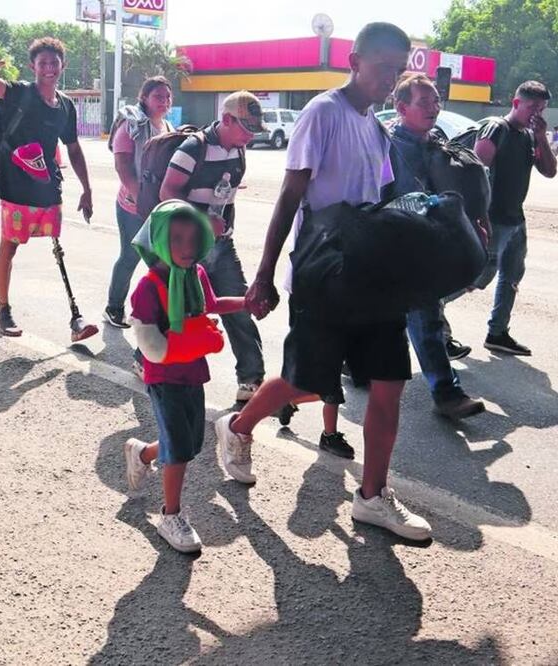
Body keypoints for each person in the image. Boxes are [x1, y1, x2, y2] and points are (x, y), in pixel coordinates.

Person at [217, 23, 434, 541]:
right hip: (323, 273)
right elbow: (291, 199)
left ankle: (372, 497)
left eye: (396, 68)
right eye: (382, 66)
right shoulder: (323, 113)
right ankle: (238, 427)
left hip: (371, 274)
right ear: (355, 60)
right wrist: (265, 275)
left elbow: (377, 201)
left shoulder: (375, 127)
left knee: (389, 381)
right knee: (307, 380)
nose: (389, 78)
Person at [123, 200, 245, 553]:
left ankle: (143, 453)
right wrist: (180, 343)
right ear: (159, 240)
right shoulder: (148, 287)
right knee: (178, 448)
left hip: (193, 372)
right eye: (177, 239)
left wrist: (244, 302)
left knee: (189, 443)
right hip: (164, 379)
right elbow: (149, 341)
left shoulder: (196, 276)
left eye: (193, 239)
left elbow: (209, 304)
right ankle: (170, 515)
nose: (187, 248)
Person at [0, 39, 98, 342]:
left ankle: (75, 318)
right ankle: (2, 309)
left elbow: (73, 147)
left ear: (62, 66)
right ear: (33, 67)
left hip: (47, 181)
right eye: (42, 63)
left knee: (56, 245)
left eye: (53, 63)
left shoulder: (66, 106)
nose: (48, 68)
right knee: (10, 245)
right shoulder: (21, 93)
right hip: (15, 182)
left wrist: (87, 188)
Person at [385, 72, 487, 419]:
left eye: (436, 101)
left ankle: (353, 364)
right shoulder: (390, 147)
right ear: (401, 107)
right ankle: (446, 392)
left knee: (399, 313)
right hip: (403, 245)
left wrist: (473, 220)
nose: (434, 107)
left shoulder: (438, 139)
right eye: (424, 102)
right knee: (424, 314)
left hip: (435, 242)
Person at [159, 90, 267, 405]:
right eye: (246, 128)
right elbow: (167, 195)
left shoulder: (239, 152)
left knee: (241, 307)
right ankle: (148, 356)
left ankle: (251, 379)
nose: (250, 136)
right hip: (190, 248)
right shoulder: (193, 148)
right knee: (179, 310)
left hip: (222, 245)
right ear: (227, 119)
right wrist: (204, 220)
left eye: (253, 130)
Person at [460, 81, 557, 356]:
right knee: (479, 276)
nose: (537, 115)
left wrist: (540, 137)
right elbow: (475, 173)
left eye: (542, 109)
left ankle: (498, 332)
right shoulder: (496, 128)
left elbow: (550, 171)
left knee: (513, 274)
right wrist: (479, 218)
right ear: (516, 104)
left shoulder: (529, 136)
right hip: (493, 219)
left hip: (516, 219)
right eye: (532, 108)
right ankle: (431, 311)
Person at [104, 76, 174, 329]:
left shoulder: (166, 127)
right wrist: (140, 199)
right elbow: (123, 166)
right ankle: (114, 308)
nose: (164, 101)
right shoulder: (132, 125)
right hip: (132, 207)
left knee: (162, 261)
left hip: (157, 208)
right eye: (158, 96)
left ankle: (158, 313)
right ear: (144, 98)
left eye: (167, 97)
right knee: (131, 256)